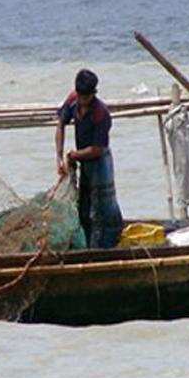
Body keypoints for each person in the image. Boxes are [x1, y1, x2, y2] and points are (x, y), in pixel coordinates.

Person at [55, 69, 124, 249]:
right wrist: (59, 158)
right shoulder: (72, 101)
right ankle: (87, 246)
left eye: (86, 97)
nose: (82, 101)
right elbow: (60, 124)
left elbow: (97, 149)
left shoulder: (101, 113)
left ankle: (110, 245)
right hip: (83, 160)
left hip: (99, 161)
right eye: (80, 96)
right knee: (84, 205)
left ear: (93, 94)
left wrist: (74, 155)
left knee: (106, 205)